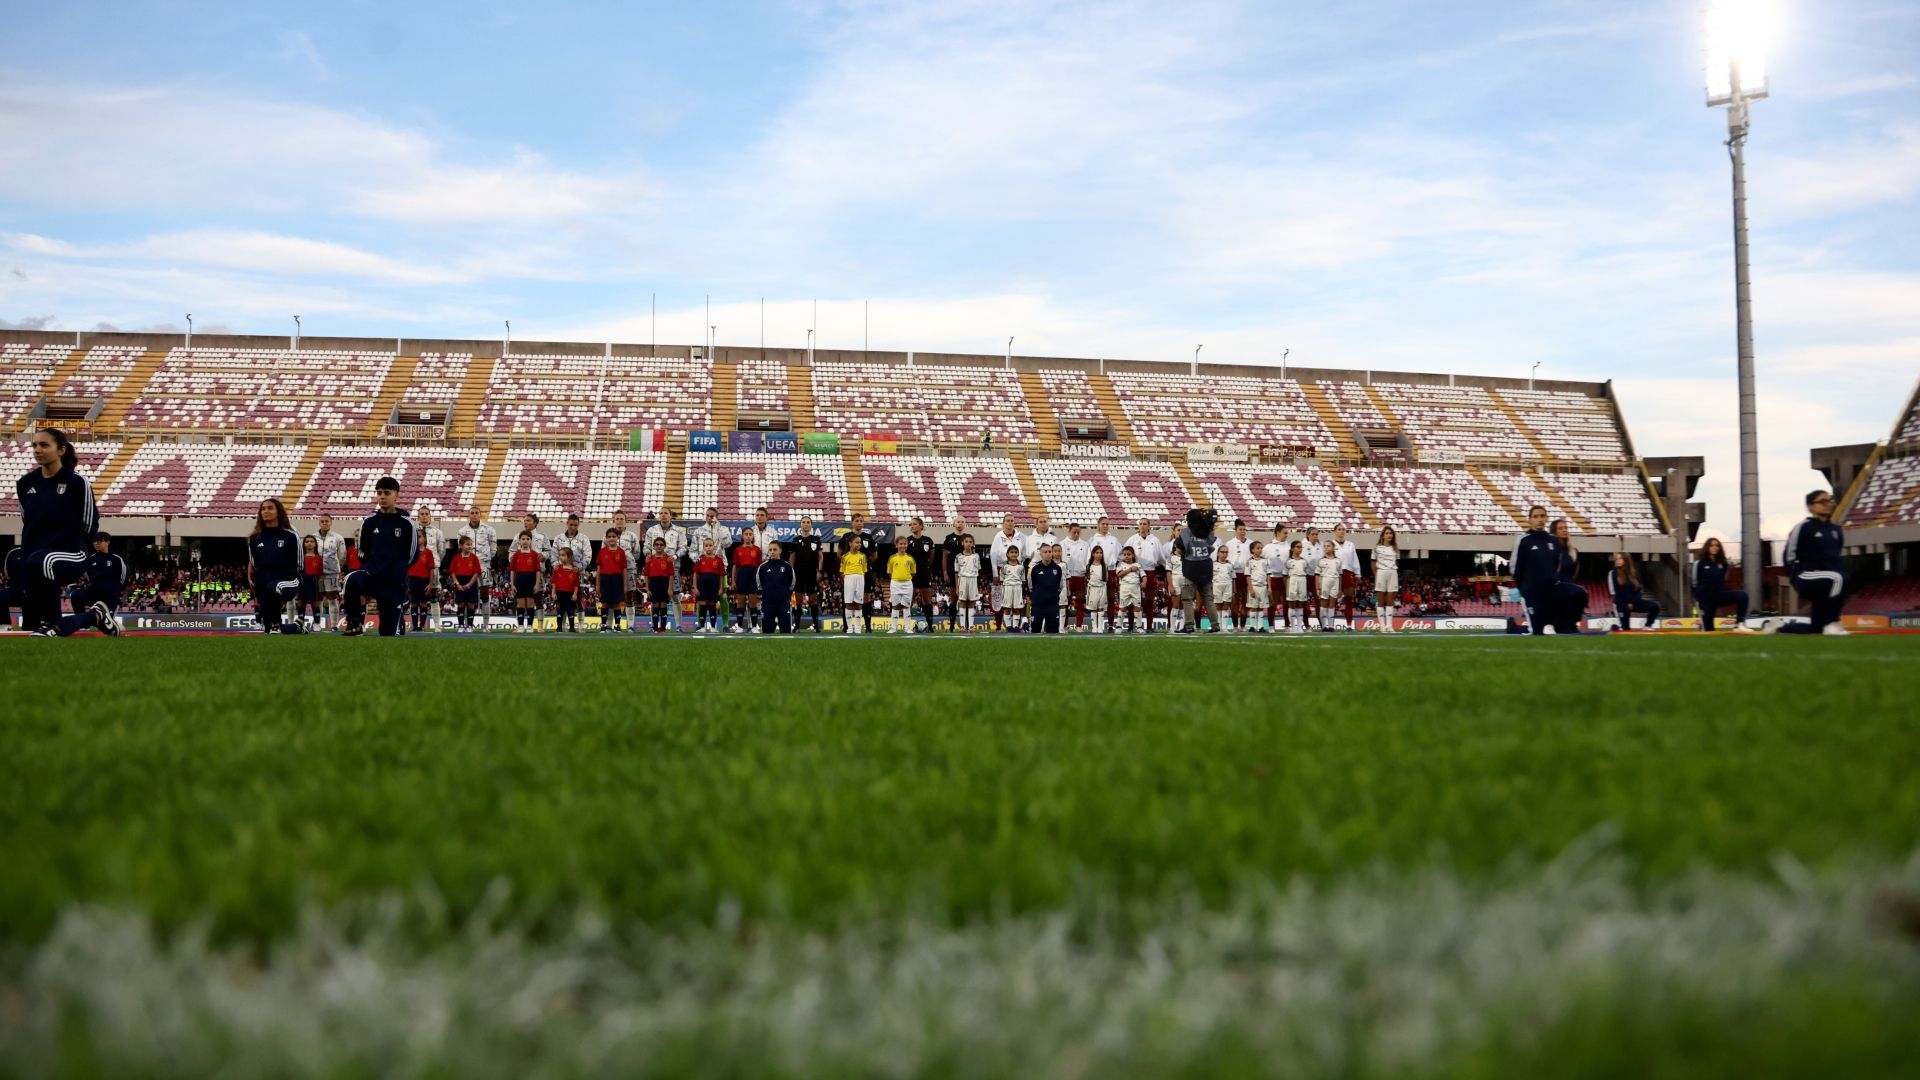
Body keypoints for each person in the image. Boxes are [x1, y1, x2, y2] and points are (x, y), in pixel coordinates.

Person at [11, 428, 116, 637]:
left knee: (43, 561)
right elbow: (28, 521)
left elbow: (90, 525)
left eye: (44, 445)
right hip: (34, 558)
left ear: (61, 450)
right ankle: (94, 616)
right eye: (34, 445)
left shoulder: (77, 483)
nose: (37, 450)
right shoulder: (25, 484)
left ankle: (52, 624)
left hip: (71, 553)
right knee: (35, 626)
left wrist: (81, 550)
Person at [342, 476, 417, 637]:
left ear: (396, 495)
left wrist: (397, 572)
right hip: (373, 577)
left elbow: (412, 554)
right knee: (351, 579)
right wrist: (371, 568)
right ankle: (354, 622)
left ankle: (399, 618)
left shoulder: (406, 523)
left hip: (394, 584)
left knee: (389, 634)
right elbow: (361, 551)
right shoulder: (369, 522)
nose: (382, 496)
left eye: (387, 493)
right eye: (379, 493)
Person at [1769, 490, 1847, 635]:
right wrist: (1794, 575)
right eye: (1822, 501)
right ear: (1811, 507)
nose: (1828, 504)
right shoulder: (1803, 527)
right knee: (1839, 578)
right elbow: (1789, 554)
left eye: (1830, 500)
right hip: (1805, 575)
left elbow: (1836, 556)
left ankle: (1778, 627)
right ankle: (1832, 622)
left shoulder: (1836, 530)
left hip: (1826, 581)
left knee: (1816, 628)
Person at [1508, 506, 1559, 637]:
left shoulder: (1553, 540)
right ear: (1530, 520)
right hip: (1531, 593)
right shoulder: (1523, 540)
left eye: (1542, 516)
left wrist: (1553, 580)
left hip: (1550, 593)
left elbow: (1557, 565)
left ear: (1546, 518)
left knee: (1547, 629)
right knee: (1536, 631)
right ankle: (1513, 628)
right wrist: (1524, 589)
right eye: (1535, 517)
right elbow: (1515, 567)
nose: (1540, 519)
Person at [1692, 536, 1754, 632]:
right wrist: (1699, 600)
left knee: (1742, 595)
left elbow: (1723, 581)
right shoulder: (1699, 563)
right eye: (1711, 545)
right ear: (1707, 547)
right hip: (1706, 598)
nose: (1714, 547)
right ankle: (1702, 624)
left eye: (1717, 546)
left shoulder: (1723, 564)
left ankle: (1739, 624)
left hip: (1719, 595)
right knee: (1709, 630)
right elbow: (1694, 583)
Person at [75, 532, 129, 620]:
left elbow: (123, 577)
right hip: (94, 595)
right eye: (94, 541)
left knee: (108, 625)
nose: (96, 543)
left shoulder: (116, 559)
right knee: (75, 595)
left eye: (99, 541)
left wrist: (115, 591)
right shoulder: (90, 559)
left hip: (111, 596)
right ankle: (82, 619)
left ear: (108, 542)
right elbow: (87, 578)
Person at [1548, 519, 1587, 634]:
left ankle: (1572, 623)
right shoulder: (1551, 550)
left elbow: (1575, 573)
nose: (1564, 530)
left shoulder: (1573, 551)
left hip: (1570, 586)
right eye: (1560, 528)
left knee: (1580, 593)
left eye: (1566, 528)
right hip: (1556, 586)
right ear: (1554, 532)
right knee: (1579, 592)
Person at [1606, 552, 1660, 631]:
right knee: (1625, 630)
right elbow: (1616, 593)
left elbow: (1639, 590)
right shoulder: (1613, 573)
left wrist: (1632, 602)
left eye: (1620, 558)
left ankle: (1647, 625)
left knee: (1655, 606)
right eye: (1616, 559)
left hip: (1634, 602)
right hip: (1622, 604)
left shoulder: (1635, 573)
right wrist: (1626, 603)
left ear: (1626, 560)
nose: (1618, 561)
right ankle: (1613, 626)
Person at [789, 516, 825, 631]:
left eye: (808, 522)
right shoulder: (795, 540)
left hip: (811, 573)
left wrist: (819, 571)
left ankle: (816, 627)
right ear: (800, 525)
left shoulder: (816, 539)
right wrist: (792, 571)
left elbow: (820, 557)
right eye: (803, 522)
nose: (806, 524)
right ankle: (797, 627)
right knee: (798, 601)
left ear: (811, 525)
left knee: (813, 600)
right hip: (798, 573)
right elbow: (792, 557)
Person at [646, 508, 688, 603]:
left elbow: (683, 548)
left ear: (670, 515)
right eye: (661, 513)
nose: (663, 515)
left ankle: (677, 619)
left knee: (675, 596)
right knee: (654, 598)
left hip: (672, 567)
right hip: (655, 569)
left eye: (666, 513)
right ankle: (654, 618)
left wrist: (674, 557)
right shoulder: (651, 530)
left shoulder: (679, 530)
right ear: (659, 516)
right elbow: (646, 547)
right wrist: (648, 555)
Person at [1129, 518, 1164, 632]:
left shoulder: (1155, 540)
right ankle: (1130, 626)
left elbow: (1161, 558)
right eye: (1141, 524)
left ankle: (1149, 626)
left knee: (1149, 600)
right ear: (1138, 526)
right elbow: (1124, 554)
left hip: (1150, 571)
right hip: (1135, 571)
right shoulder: (1132, 539)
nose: (1143, 526)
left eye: (1145, 524)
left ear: (1149, 526)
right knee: (1133, 600)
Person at [729, 524, 763, 633]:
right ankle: (739, 626)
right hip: (741, 575)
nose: (748, 536)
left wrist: (759, 581)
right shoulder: (737, 549)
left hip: (753, 575)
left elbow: (759, 567)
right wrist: (733, 580)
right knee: (741, 602)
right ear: (742, 536)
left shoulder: (757, 550)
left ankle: (753, 626)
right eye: (746, 534)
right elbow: (734, 565)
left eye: (750, 534)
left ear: (753, 536)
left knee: (753, 602)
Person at [416, 506, 446, 632]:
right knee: (416, 596)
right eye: (421, 514)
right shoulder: (413, 531)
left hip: (432, 568)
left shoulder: (437, 532)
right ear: (418, 517)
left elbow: (442, 550)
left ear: (430, 516)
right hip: (416, 568)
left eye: (426, 514)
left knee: (434, 595)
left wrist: (435, 562)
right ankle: (416, 625)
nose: (424, 516)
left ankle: (437, 625)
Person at [314, 513, 346, 630]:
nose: (324, 523)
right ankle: (318, 624)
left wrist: (336, 567)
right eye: (322, 521)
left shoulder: (338, 537)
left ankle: (334, 625)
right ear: (319, 522)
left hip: (332, 573)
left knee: (332, 598)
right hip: (316, 574)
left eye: (327, 521)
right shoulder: (313, 537)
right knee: (318, 599)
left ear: (331, 523)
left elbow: (342, 556)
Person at [507, 531, 543, 633]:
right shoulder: (516, 555)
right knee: (520, 604)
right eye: (523, 539)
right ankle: (521, 626)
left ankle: (530, 626)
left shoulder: (535, 555)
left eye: (528, 539)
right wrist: (512, 584)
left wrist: (537, 584)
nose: (525, 541)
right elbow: (513, 571)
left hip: (531, 580)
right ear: (519, 541)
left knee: (531, 603)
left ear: (531, 541)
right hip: (519, 580)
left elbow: (537, 571)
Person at [939, 516, 970, 631]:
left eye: (962, 522)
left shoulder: (968, 539)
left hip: (966, 573)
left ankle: (967, 625)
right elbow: (944, 557)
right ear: (954, 524)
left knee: (966, 599)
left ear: (965, 524)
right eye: (958, 522)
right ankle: (952, 625)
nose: (960, 524)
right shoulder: (948, 538)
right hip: (952, 572)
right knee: (954, 599)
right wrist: (945, 572)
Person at [758, 540, 795, 633]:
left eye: (775, 549)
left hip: (783, 604)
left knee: (786, 633)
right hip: (767, 604)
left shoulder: (787, 566)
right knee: (766, 633)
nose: (772, 552)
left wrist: (786, 595)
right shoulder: (763, 567)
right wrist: (764, 595)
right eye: (770, 550)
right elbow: (758, 583)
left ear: (780, 551)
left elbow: (793, 583)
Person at [881, 535, 916, 634]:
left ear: (907, 545)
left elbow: (913, 573)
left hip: (908, 583)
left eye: (905, 544)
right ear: (896, 545)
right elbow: (889, 572)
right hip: (895, 583)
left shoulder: (910, 558)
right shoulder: (892, 558)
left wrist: (905, 578)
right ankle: (893, 628)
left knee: (906, 606)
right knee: (895, 605)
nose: (903, 546)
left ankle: (907, 628)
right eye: (901, 544)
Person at [450, 535, 484, 632]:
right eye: (467, 544)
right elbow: (452, 573)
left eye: (471, 544)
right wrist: (457, 584)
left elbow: (477, 573)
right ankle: (461, 626)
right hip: (459, 582)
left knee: (470, 604)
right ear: (461, 546)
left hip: (471, 582)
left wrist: (469, 585)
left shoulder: (474, 558)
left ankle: (469, 626)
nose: (470, 546)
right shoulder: (456, 558)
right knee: (460, 604)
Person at [406, 529, 437, 633]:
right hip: (412, 580)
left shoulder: (428, 553)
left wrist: (430, 583)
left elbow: (431, 569)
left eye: (420, 536)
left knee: (423, 604)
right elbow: (406, 567)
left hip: (424, 580)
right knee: (414, 604)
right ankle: (414, 626)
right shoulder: (411, 552)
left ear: (425, 539)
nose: (418, 539)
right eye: (416, 537)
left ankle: (422, 626)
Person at [950, 534, 983, 633]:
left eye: (970, 542)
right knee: (963, 603)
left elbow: (978, 571)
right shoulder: (958, 557)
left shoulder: (976, 556)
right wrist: (957, 587)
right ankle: (963, 626)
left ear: (973, 544)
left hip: (973, 579)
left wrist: (978, 585)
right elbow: (956, 573)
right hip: (963, 579)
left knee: (972, 603)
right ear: (962, 543)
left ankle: (971, 626)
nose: (968, 544)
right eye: (966, 542)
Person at [1331, 524, 1361, 631]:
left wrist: (1358, 574)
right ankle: (1330, 624)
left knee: (1349, 600)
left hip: (1348, 573)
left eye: (1343, 529)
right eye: (1339, 529)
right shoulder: (1331, 544)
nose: (1341, 531)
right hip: (1335, 574)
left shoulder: (1350, 544)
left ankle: (1349, 624)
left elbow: (1355, 560)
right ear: (1335, 531)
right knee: (1332, 600)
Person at [1029, 542, 1064, 634]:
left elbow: (1060, 586)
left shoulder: (1057, 569)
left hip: (1052, 605)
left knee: (1053, 631)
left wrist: (1053, 595)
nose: (1048, 554)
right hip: (1038, 606)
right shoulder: (1035, 569)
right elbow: (1030, 586)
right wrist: (1037, 596)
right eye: (1045, 552)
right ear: (1040, 554)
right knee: (1035, 630)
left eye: (1049, 551)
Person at [693, 537, 726, 632]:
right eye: (706, 546)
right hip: (702, 584)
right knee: (702, 604)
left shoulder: (719, 560)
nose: (708, 548)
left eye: (710, 545)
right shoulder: (699, 559)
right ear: (703, 547)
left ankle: (713, 627)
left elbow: (721, 575)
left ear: (714, 547)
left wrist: (721, 588)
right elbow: (695, 573)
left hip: (714, 584)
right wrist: (695, 587)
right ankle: (702, 627)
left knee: (712, 604)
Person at [1372, 526, 1400, 633]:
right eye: (1387, 533)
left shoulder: (1395, 548)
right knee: (1381, 601)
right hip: (1381, 573)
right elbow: (1373, 563)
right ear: (1383, 535)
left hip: (1392, 573)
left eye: (1391, 533)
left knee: (1390, 600)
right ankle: (1382, 626)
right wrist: (1377, 575)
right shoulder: (1376, 548)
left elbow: (1396, 562)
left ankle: (1389, 625)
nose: (1389, 535)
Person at [1225, 521, 1253, 631]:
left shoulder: (1250, 543)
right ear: (1235, 530)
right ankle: (1235, 626)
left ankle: (1243, 626)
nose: (1243, 532)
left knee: (1247, 602)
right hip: (1235, 576)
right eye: (1240, 529)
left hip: (1247, 576)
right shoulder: (1229, 544)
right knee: (1235, 602)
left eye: (1244, 529)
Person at [839, 534, 869, 633]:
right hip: (849, 578)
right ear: (850, 544)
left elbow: (864, 570)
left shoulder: (863, 556)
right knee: (848, 603)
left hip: (860, 578)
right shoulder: (845, 556)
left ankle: (857, 627)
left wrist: (859, 578)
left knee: (858, 603)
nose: (859, 544)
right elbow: (842, 571)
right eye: (857, 542)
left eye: (860, 542)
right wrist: (847, 581)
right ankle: (849, 627)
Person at [645, 538, 676, 633]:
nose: (659, 546)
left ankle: (662, 628)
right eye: (657, 544)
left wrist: (670, 589)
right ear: (653, 546)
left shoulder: (668, 559)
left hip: (664, 582)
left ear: (664, 546)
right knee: (654, 604)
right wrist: (647, 588)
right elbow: (646, 575)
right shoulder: (649, 559)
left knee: (663, 604)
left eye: (661, 544)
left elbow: (671, 575)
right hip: (653, 583)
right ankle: (655, 628)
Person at [549, 548, 582, 633]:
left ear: (569, 557)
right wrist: (553, 593)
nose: (561, 557)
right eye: (560, 555)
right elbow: (554, 582)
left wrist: (575, 594)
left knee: (570, 611)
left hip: (570, 594)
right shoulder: (557, 569)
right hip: (560, 593)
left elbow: (576, 584)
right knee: (560, 610)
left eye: (563, 555)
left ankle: (572, 627)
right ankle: (559, 627)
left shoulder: (574, 570)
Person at [1115, 545, 1145, 633]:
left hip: (1135, 587)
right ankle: (1118, 626)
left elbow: (1143, 575)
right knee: (1123, 607)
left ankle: (1139, 627)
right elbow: (1119, 574)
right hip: (1125, 587)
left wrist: (1144, 582)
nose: (1127, 556)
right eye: (1125, 555)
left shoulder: (1138, 565)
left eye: (1129, 554)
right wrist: (1130, 569)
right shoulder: (1120, 564)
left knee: (1137, 607)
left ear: (1133, 555)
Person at [1284, 539, 1311, 633]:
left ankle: (1299, 627)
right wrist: (1286, 587)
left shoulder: (1304, 561)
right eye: (1298, 547)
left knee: (1300, 604)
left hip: (1302, 580)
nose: (1300, 549)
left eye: (1301, 547)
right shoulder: (1288, 561)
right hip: (1292, 581)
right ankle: (1292, 627)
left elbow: (1307, 574)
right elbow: (1284, 575)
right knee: (1292, 604)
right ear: (1292, 549)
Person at [1244, 540, 1270, 633]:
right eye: (1258, 548)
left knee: (1261, 607)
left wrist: (1269, 587)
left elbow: (1268, 575)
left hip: (1263, 586)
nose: (1260, 550)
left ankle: (1260, 627)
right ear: (1252, 550)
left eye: (1261, 548)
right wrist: (1251, 589)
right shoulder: (1249, 562)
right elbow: (1248, 576)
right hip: (1254, 586)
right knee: (1253, 607)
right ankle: (1252, 626)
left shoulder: (1265, 561)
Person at [998, 545, 1026, 633]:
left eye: (1015, 552)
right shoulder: (1004, 567)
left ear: (1018, 554)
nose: (1014, 554)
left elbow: (1023, 580)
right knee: (1007, 608)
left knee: (1017, 608)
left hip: (1018, 588)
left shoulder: (1021, 567)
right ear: (1008, 554)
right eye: (1012, 552)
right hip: (1007, 587)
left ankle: (1015, 627)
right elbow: (1001, 579)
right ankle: (1009, 627)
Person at [298, 534, 324, 627]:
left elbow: (320, 572)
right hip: (302, 580)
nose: (309, 543)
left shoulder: (318, 557)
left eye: (312, 541)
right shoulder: (300, 557)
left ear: (315, 544)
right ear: (304, 544)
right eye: (307, 541)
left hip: (313, 581)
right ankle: (300, 624)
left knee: (315, 603)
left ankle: (316, 624)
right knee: (301, 602)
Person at [1317, 539, 1342, 631]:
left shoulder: (1338, 561)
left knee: (1332, 604)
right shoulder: (1321, 560)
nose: (1326, 548)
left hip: (1335, 582)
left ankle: (1331, 626)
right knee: (1323, 603)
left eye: (1328, 546)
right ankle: (1324, 626)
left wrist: (1340, 588)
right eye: (1325, 546)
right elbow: (1317, 575)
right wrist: (1317, 588)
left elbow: (1340, 575)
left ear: (1333, 548)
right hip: (1324, 581)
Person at [1084, 546, 1109, 634]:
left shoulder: (1104, 566)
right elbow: (1087, 578)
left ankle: (1100, 628)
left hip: (1102, 588)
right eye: (1097, 553)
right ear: (1093, 554)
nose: (1099, 555)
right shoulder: (1089, 566)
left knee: (1101, 608)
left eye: (1100, 553)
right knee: (1094, 608)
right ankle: (1094, 627)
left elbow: (1106, 578)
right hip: (1093, 589)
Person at [1209, 545, 1234, 631]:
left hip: (1228, 586)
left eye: (1226, 552)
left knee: (1226, 606)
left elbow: (1233, 578)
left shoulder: (1230, 565)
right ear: (1218, 553)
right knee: (1217, 606)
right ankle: (1218, 627)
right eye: (1222, 552)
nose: (1224, 554)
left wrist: (1234, 590)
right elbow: (1209, 578)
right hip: (1216, 586)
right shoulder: (1213, 564)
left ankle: (1225, 628)